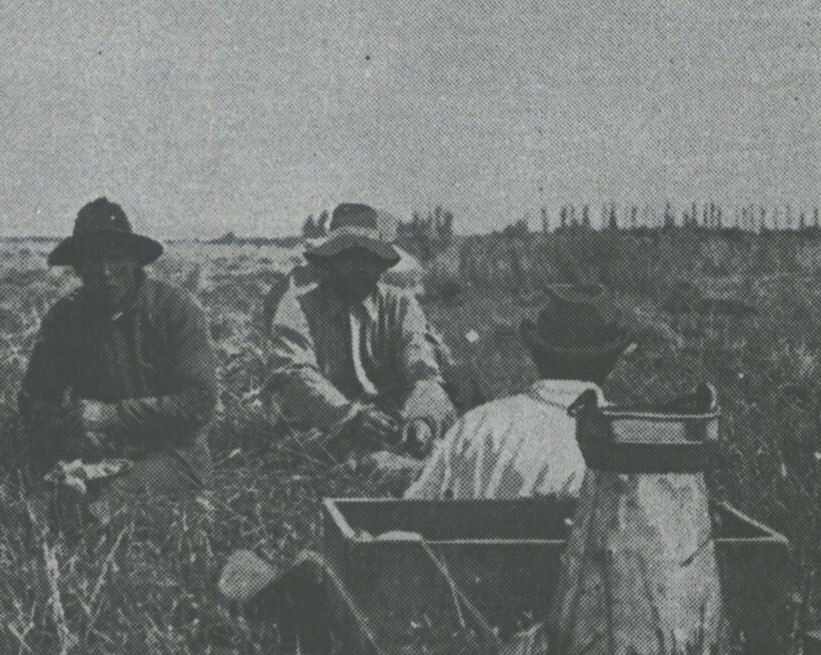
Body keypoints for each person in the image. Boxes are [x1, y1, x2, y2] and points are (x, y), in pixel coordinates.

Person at [18, 198, 219, 521]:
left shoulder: (176, 309)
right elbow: (34, 400)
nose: (105, 272)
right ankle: (27, 514)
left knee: (106, 502)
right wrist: (69, 426)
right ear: (79, 268)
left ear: (135, 261)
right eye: (94, 260)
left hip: (170, 451)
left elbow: (199, 402)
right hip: (93, 450)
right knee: (59, 486)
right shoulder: (65, 317)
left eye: (116, 258)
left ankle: (64, 518)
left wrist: (110, 416)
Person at [262, 203, 468, 483]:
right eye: (348, 257)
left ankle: (434, 470)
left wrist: (422, 420)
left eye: (369, 257)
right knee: (360, 461)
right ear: (330, 261)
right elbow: (296, 375)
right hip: (326, 426)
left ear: (382, 264)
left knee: (444, 434)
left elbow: (422, 368)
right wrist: (351, 417)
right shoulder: (299, 307)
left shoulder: (399, 305)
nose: (360, 268)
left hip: (390, 421)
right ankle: (421, 479)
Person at [405, 283, 634, 501]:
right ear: (611, 361)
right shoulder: (627, 442)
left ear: (537, 354)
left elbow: (415, 512)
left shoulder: (475, 425)